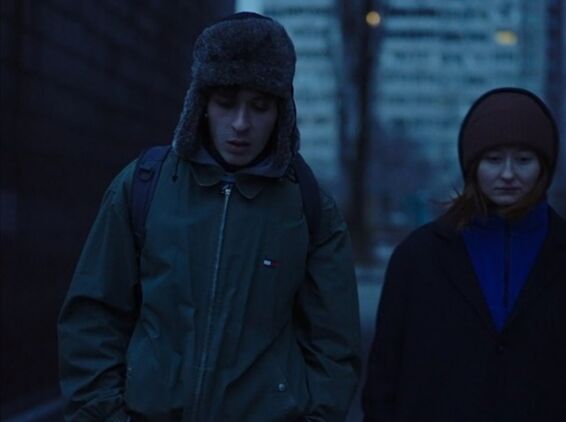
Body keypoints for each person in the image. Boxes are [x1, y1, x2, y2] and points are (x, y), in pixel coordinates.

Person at [58, 12, 361, 422]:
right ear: (201, 104)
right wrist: (105, 414)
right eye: (226, 103)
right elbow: (92, 317)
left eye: (259, 107)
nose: (241, 124)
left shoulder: (310, 210)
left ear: (281, 112)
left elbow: (334, 346)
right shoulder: (142, 187)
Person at [362, 87, 566, 421]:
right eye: (494, 159)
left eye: (524, 160)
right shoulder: (418, 258)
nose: (508, 174)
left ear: (544, 167)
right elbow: (384, 377)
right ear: (472, 165)